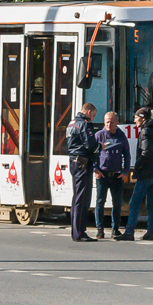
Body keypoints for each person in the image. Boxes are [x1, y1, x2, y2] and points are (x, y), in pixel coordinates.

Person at [118, 107, 153, 241]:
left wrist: (137, 166)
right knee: (151, 204)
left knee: (134, 203)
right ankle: (151, 232)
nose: (134, 120)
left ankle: (129, 231)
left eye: (136, 117)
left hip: (145, 173)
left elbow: (146, 152)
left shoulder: (145, 131)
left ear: (143, 118)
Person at [65, 102, 99, 241]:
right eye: (94, 115)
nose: (93, 118)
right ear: (89, 112)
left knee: (77, 197)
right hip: (83, 163)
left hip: (74, 161)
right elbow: (90, 145)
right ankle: (79, 232)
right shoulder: (84, 124)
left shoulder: (71, 123)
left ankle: (76, 231)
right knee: (82, 198)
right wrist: (100, 146)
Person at [93, 112, 130, 239]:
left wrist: (125, 172)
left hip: (117, 175)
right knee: (100, 202)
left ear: (117, 122)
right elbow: (92, 154)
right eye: (107, 122)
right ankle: (100, 229)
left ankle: (115, 229)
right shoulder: (99, 135)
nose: (109, 124)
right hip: (102, 175)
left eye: (112, 122)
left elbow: (127, 155)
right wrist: (95, 170)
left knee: (117, 203)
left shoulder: (121, 136)